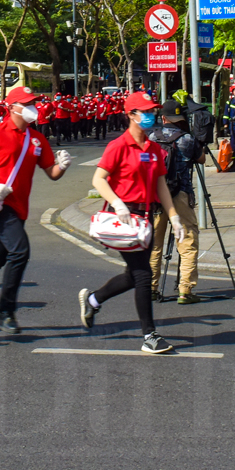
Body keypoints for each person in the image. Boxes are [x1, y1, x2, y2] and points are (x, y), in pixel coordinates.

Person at [0, 87, 71, 334]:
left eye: (35, 103)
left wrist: (62, 166)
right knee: (20, 251)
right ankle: (6, 311)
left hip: (20, 208)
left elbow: (51, 173)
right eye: (29, 103)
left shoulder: (37, 139)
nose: (34, 107)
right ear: (13, 107)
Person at [79, 91, 184, 354]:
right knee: (143, 275)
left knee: (133, 275)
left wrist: (174, 217)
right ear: (131, 115)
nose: (151, 116)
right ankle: (150, 335)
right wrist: (117, 203)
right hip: (123, 218)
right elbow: (99, 180)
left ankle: (93, 300)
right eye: (145, 112)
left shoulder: (153, 149)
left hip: (145, 218)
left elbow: (161, 185)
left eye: (152, 111)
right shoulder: (118, 146)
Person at [147, 98, 204, 304]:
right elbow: (201, 159)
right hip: (181, 194)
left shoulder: (151, 137)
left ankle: (151, 288)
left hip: (156, 195)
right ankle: (185, 291)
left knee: (154, 244)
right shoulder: (188, 139)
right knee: (187, 241)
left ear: (163, 118)